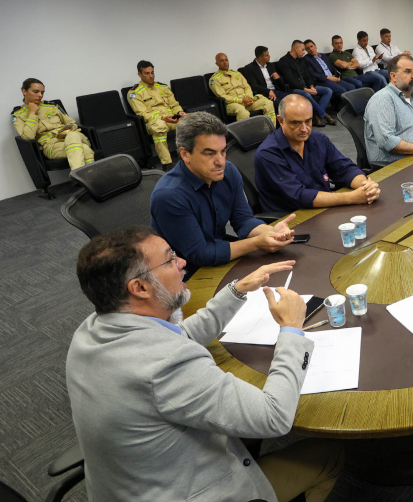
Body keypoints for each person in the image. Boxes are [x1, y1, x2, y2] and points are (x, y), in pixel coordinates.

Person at [67, 226, 343, 501]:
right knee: (331, 456)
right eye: (170, 259)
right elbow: (274, 417)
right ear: (140, 287)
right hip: (191, 491)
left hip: (130, 485)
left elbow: (177, 337)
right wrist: (292, 330)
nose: (182, 262)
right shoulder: (165, 365)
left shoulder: (93, 328)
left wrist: (236, 290)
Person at [150, 111, 297, 278]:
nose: (220, 161)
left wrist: (269, 232)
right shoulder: (169, 195)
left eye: (223, 151)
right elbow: (200, 254)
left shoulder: (228, 172)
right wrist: (257, 243)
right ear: (185, 154)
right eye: (209, 154)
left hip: (220, 259)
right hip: (183, 275)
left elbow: (243, 220)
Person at [255, 94, 380, 211]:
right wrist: (352, 197)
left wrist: (365, 186)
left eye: (308, 121)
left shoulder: (318, 140)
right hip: (291, 220)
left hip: (321, 209)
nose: (304, 129)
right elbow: (299, 196)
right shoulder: (268, 154)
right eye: (296, 122)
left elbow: (344, 168)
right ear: (281, 120)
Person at [12, 78, 94, 169]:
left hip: (72, 137)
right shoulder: (18, 115)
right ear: (24, 91)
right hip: (52, 147)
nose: (40, 95)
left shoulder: (51, 106)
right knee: (85, 149)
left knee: (72, 136)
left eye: (42, 92)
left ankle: (78, 179)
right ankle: (90, 179)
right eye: (36, 92)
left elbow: (71, 122)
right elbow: (28, 137)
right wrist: (32, 113)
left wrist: (69, 128)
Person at [127, 61, 185, 168]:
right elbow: (143, 114)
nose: (151, 76)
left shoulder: (162, 87)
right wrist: (163, 118)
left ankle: (190, 155)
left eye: (152, 72)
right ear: (139, 74)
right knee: (159, 126)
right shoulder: (134, 93)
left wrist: (179, 112)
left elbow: (174, 104)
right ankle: (167, 163)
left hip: (171, 117)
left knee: (192, 120)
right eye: (147, 73)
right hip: (154, 122)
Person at [275, 40, 336, 127]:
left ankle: (315, 116)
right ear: (296, 48)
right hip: (293, 89)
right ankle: (324, 116)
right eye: (303, 50)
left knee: (328, 91)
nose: (304, 52)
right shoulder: (284, 61)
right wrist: (305, 89)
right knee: (306, 95)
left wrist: (311, 86)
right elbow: (290, 80)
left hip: (307, 87)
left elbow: (308, 75)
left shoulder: (301, 60)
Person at [209, 53, 276, 126]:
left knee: (267, 103)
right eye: (221, 61)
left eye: (226, 60)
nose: (225, 63)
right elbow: (222, 96)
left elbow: (247, 86)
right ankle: (244, 136)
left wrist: (249, 97)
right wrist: (241, 100)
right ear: (217, 63)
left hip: (246, 101)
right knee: (242, 112)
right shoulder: (215, 79)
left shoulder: (237, 74)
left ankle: (270, 131)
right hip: (232, 104)